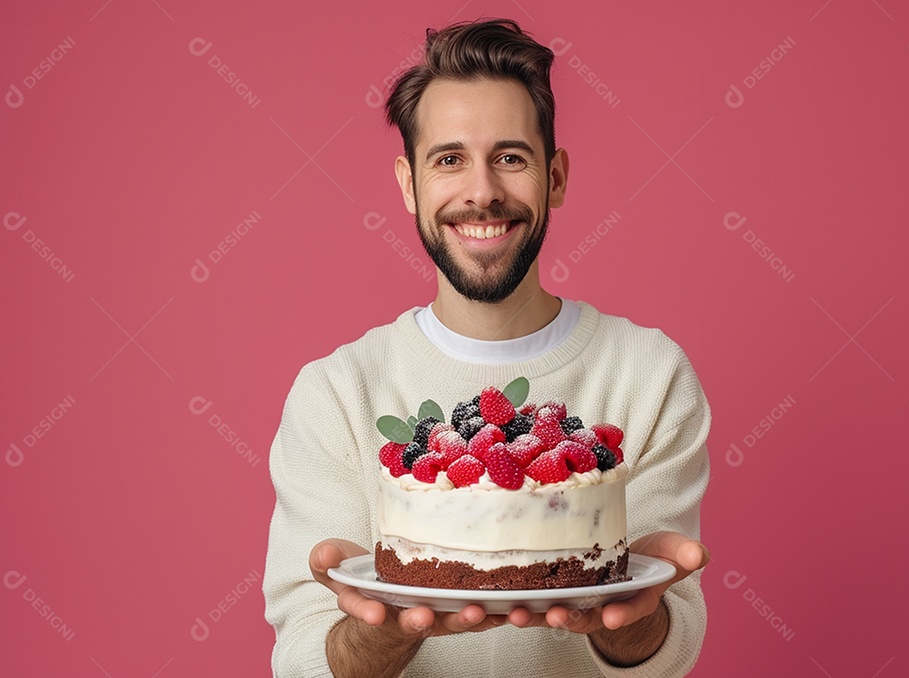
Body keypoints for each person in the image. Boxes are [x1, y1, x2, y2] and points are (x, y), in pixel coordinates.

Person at [263, 18, 712, 677]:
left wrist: (635, 618)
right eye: (449, 160)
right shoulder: (335, 392)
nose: (482, 191)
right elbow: (301, 659)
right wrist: (386, 631)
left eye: (510, 157)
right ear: (408, 184)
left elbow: (670, 649)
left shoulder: (650, 374)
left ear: (554, 178)